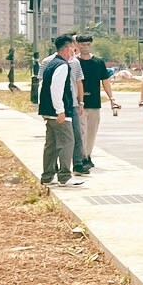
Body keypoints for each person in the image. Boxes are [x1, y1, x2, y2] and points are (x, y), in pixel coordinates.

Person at [37, 34, 85, 188]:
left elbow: (41, 87)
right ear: (67, 48)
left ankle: (48, 176)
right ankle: (64, 176)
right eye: (73, 48)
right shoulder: (62, 65)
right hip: (58, 111)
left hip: (47, 110)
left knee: (51, 144)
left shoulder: (51, 63)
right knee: (67, 142)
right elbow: (56, 89)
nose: (75, 51)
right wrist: (60, 110)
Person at [75, 35, 118, 172]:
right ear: (77, 45)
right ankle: (81, 159)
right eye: (82, 45)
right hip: (79, 104)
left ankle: (87, 155)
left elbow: (105, 82)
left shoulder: (99, 62)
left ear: (91, 44)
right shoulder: (74, 62)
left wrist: (112, 98)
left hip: (94, 103)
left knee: (91, 132)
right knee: (81, 132)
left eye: (87, 44)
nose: (85, 47)